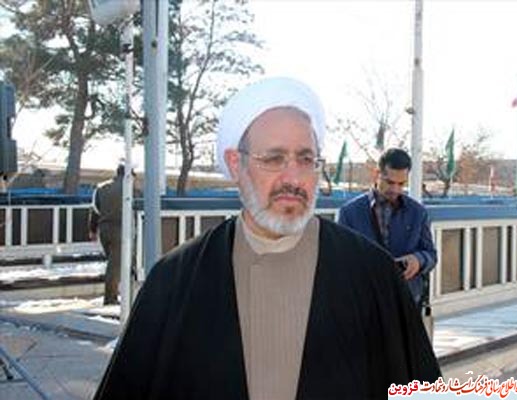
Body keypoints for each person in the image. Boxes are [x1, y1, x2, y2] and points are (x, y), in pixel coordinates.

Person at [94, 77, 440, 400]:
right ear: (236, 164)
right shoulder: (175, 281)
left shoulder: (372, 275)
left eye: (306, 159)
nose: (293, 178)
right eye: (274, 159)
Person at [338, 148, 437, 306]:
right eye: (390, 182)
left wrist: (418, 260)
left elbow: (431, 255)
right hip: (364, 303)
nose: (395, 189)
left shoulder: (418, 212)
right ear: (376, 174)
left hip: (406, 302)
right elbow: (340, 261)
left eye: (401, 184)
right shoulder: (349, 213)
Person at [88, 164, 126, 305]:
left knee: (114, 263)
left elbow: (95, 210)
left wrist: (92, 230)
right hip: (121, 230)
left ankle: (116, 294)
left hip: (104, 230)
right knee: (115, 266)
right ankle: (110, 299)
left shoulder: (101, 188)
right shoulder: (130, 189)